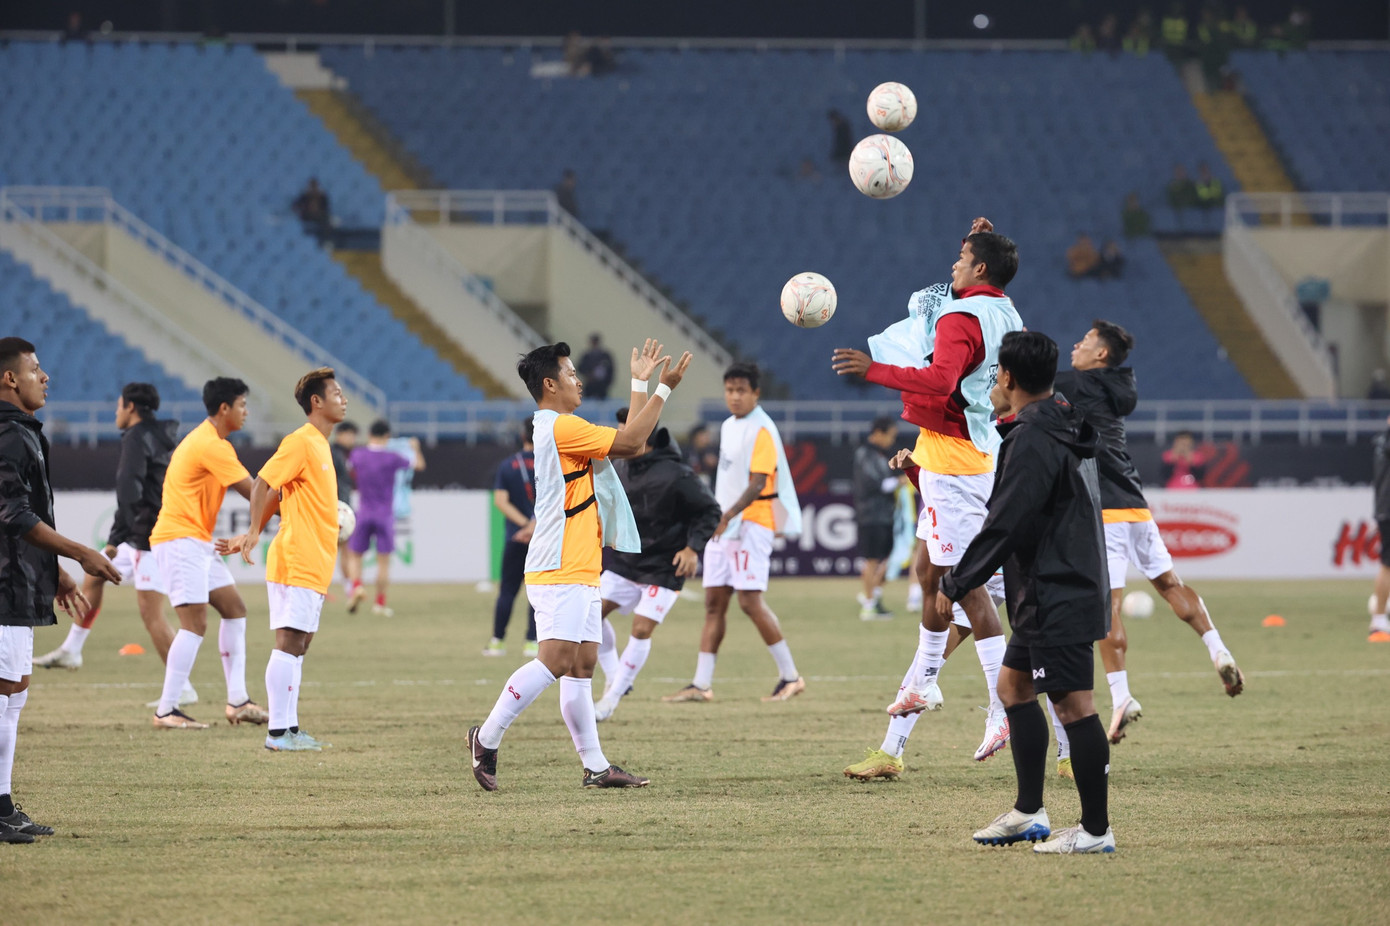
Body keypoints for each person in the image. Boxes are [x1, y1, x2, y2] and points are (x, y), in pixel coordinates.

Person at [832, 217, 1022, 775]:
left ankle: (1000, 708)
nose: (953, 265)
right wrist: (978, 237)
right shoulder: (1002, 309)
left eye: (962, 257)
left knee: (967, 591)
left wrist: (876, 371)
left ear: (980, 269)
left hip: (959, 459)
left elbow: (940, 382)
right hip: (953, 451)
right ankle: (915, 709)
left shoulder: (962, 317)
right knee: (926, 574)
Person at [467, 338, 692, 791]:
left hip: (581, 564)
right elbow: (631, 442)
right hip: (560, 564)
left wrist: (647, 385)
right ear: (549, 384)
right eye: (571, 374)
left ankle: (595, 766)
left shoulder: (558, 425)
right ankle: (485, 737)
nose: (579, 380)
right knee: (554, 660)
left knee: (583, 664)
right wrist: (656, 387)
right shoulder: (559, 426)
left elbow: (626, 444)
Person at [942, 331, 1116, 855]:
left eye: (996, 374)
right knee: (1014, 688)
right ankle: (1028, 811)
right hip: (1055, 584)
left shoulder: (1034, 437)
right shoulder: (1061, 416)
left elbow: (1006, 523)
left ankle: (1094, 831)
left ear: (1010, 379)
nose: (993, 384)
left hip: (1056, 589)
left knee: (1074, 707)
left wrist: (957, 580)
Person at [1053, 322, 1244, 762]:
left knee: (1107, 607)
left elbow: (1029, 383)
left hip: (1105, 511)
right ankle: (1219, 649)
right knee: (1171, 584)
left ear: (1101, 355)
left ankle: (1121, 697)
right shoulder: (1117, 387)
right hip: (1137, 506)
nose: (1077, 345)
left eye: (1086, 341)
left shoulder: (1080, 383)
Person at [0, 338, 123, 844]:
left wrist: (54, 571)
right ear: (10, 379)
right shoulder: (7, 436)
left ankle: (3, 803)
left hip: (21, 579)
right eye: (34, 369)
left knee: (14, 692)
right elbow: (12, 514)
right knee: (5, 691)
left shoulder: (22, 432)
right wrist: (80, 553)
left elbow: (30, 516)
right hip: (4, 581)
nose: (44, 376)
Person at [663, 362, 806, 704]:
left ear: (756, 393)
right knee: (714, 603)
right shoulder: (728, 426)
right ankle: (701, 684)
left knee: (749, 601)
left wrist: (726, 515)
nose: (735, 396)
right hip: (723, 526)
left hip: (751, 523)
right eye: (730, 390)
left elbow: (758, 481)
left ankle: (790, 677)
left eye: (742, 390)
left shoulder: (762, 429)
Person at [220, 369, 348, 752]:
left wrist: (251, 529)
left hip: (312, 560)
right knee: (289, 641)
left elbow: (278, 498)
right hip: (296, 558)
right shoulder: (301, 441)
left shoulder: (320, 445)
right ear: (317, 402)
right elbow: (263, 483)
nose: (344, 400)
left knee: (300, 643)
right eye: (337, 393)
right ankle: (277, 733)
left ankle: (289, 729)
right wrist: (255, 532)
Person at [34, 384, 185, 707]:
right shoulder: (163, 437)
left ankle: (182, 687)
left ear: (130, 407)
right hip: (146, 531)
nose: (116, 412)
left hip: (148, 538)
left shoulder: (136, 438)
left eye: (118, 406)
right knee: (95, 575)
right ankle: (72, 649)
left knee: (152, 615)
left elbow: (129, 491)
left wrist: (115, 539)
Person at [147, 377, 267, 730]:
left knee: (234, 609)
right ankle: (166, 710)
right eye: (243, 404)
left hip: (196, 540)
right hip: (179, 540)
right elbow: (254, 491)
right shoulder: (212, 445)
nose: (246, 412)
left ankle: (237, 701)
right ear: (224, 408)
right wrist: (295, 508)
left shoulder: (209, 440)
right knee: (194, 623)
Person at [593, 420, 720, 721]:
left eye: (629, 434)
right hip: (627, 560)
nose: (621, 439)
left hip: (665, 565)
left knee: (641, 628)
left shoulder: (677, 474)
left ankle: (610, 700)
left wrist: (692, 548)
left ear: (645, 440)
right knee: (589, 614)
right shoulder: (620, 466)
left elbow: (710, 510)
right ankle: (616, 677)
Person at [345, 421, 423, 617]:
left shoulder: (358, 454)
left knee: (355, 555)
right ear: (387, 436)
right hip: (385, 514)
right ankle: (379, 603)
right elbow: (419, 465)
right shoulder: (392, 457)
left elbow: (349, 472)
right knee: (383, 562)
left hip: (363, 511)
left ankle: (356, 586)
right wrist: (415, 448)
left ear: (369, 434)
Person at [485, 420, 539, 657]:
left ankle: (497, 641)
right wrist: (535, 526)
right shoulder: (553, 463)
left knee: (507, 590)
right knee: (538, 591)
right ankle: (532, 642)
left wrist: (524, 526)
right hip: (543, 538)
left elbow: (500, 501)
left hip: (515, 537)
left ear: (521, 434)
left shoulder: (508, 465)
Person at [853, 416, 900, 621]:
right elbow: (876, 484)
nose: (891, 441)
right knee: (871, 559)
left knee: (887, 559)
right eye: (890, 436)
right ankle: (869, 605)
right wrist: (901, 481)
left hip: (885, 515)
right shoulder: (865, 454)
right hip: (870, 515)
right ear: (878, 434)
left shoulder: (879, 455)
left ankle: (873, 597)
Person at [330, 420, 358, 597]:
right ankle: (319, 586)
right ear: (342, 434)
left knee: (345, 549)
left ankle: (349, 587)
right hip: (334, 507)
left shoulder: (347, 454)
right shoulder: (333, 453)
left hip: (344, 507)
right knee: (330, 549)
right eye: (351, 435)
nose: (353, 439)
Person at [1369, 417, 1390, 642]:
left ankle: (1380, 615)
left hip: (1385, 508)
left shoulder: (1381, 441)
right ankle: (1379, 619)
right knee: (1387, 563)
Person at [576, 333, 615, 400]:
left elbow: (610, 371)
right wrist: (588, 375)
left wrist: (606, 382)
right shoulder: (587, 356)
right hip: (589, 385)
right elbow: (580, 368)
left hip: (602, 386)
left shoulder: (605, 356)